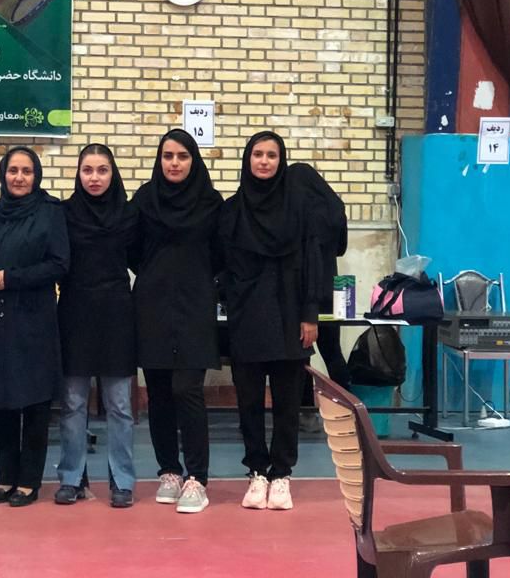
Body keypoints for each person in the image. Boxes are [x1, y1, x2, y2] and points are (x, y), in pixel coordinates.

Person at [219, 131, 322, 511]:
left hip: (290, 317)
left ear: (281, 161)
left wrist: (310, 314)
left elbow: (313, 264)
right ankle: (257, 472)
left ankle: (281, 475)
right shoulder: (232, 210)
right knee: (248, 402)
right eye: (258, 154)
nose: (264, 161)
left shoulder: (300, 209)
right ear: (247, 160)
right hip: (247, 318)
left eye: (272, 155)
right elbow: (220, 264)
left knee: (287, 403)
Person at [131, 129, 223, 514]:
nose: (174, 163)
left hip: (194, 306)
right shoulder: (144, 200)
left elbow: (220, 254)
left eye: (182, 156)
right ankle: (169, 471)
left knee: (187, 390)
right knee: (159, 393)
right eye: (167, 156)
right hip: (151, 305)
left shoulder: (211, 203)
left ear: (193, 161)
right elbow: (132, 251)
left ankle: (197, 477)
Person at [0, 146, 69, 507]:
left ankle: (29, 481)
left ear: (37, 176)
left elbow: (59, 264)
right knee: (0, 401)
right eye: (13, 170)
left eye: (26, 171)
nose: (18, 177)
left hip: (35, 320)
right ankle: (6, 477)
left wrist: (13, 279)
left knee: (34, 403)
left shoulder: (50, 213)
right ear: (3, 174)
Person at [55, 144, 138, 508]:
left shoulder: (129, 214)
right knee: (73, 403)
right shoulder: (64, 213)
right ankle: (72, 478)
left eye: (102, 170)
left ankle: (122, 480)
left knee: (119, 404)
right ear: (78, 174)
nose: (94, 178)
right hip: (75, 312)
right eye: (87, 170)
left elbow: (141, 259)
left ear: (112, 173)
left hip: (117, 313)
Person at [291, 163, 349, 432]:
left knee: (302, 357)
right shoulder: (335, 208)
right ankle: (349, 408)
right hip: (332, 288)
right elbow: (340, 249)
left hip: (304, 291)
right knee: (333, 352)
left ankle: (306, 414)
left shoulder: (298, 212)